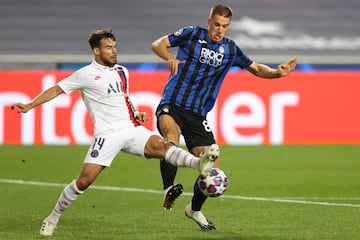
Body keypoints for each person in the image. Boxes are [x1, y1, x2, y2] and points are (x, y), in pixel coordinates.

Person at [11, 28, 219, 236]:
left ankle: (198, 162)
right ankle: (52, 218)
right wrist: (30, 105)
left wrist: (136, 112)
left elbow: (124, 97)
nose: (113, 51)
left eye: (115, 47)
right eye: (108, 48)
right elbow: (56, 89)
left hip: (130, 128)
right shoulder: (85, 74)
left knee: (162, 146)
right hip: (107, 135)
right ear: (96, 51)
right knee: (84, 181)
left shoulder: (121, 71)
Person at [151, 4, 297, 230]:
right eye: (217, 24)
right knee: (171, 136)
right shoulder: (192, 33)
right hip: (173, 103)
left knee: (211, 167)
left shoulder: (230, 50)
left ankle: (194, 209)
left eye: (225, 26)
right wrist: (169, 56)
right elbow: (158, 44)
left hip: (198, 114)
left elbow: (256, 68)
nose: (220, 30)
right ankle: (168, 189)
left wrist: (278, 73)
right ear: (209, 22)